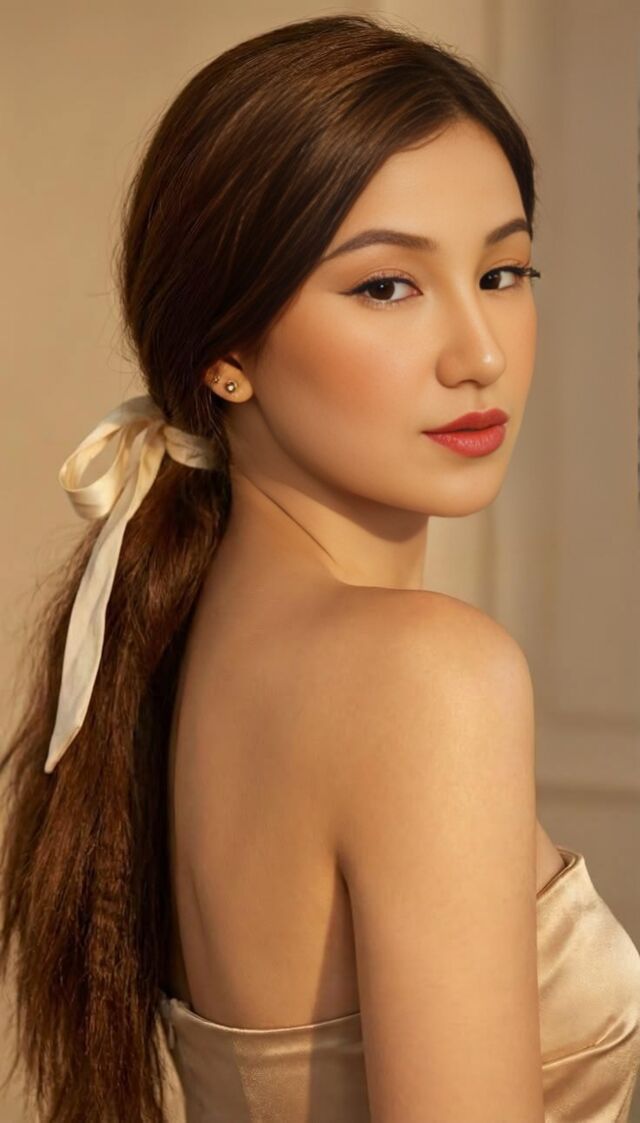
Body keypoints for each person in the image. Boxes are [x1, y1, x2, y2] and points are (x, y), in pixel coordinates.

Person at [1, 12, 639, 1123]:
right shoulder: (428, 676)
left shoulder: (189, 645)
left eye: (503, 270)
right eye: (386, 286)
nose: (481, 352)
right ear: (227, 350)